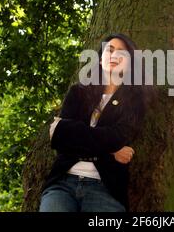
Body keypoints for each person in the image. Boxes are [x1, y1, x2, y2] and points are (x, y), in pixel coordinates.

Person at [39, 33, 155, 212]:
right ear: (100, 59)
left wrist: (76, 134)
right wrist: (111, 149)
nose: (114, 55)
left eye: (122, 53)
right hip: (62, 184)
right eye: (110, 50)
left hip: (105, 188)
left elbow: (118, 136)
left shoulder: (135, 102)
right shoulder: (78, 92)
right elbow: (60, 137)